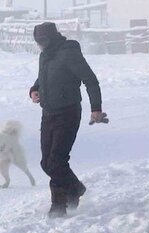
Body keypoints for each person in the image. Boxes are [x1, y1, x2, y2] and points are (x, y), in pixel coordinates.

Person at [28, 22, 105, 218]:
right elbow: (42, 79)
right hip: (48, 113)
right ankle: (75, 188)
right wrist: (34, 90)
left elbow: (91, 80)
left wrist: (96, 109)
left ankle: (59, 205)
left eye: (43, 41)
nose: (40, 45)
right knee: (46, 162)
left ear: (52, 37)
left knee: (56, 160)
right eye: (38, 42)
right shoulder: (45, 55)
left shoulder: (69, 53)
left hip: (68, 113)